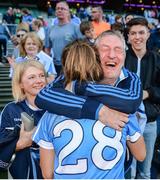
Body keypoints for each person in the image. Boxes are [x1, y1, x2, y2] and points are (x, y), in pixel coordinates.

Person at [33, 39, 146, 179]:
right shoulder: (120, 111)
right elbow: (141, 155)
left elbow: (47, 173)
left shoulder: (50, 112)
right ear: (96, 65)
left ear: (65, 66)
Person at [125, 17, 160, 179]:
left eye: (141, 32)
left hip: (149, 122)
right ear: (128, 37)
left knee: (145, 171)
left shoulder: (156, 59)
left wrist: (148, 93)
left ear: (148, 34)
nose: (137, 37)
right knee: (127, 170)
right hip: (124, 121)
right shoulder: (121, 58)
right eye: (133, 33)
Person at [0, 60, 47, 178]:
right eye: (31, 77)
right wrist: (20, 144)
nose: (39, 81)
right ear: (20, 84)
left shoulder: (57, 109)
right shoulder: (11, 110)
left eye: (42, 76)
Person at [45, 0, 82, 75]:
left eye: (62, 9)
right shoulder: (50, 28)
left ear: (68, 12)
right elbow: (47, 48)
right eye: (57, 8)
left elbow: (82, 47)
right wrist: (48, 65)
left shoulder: (76, 27)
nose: (59, 10)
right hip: (56, 65)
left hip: (72, 65)